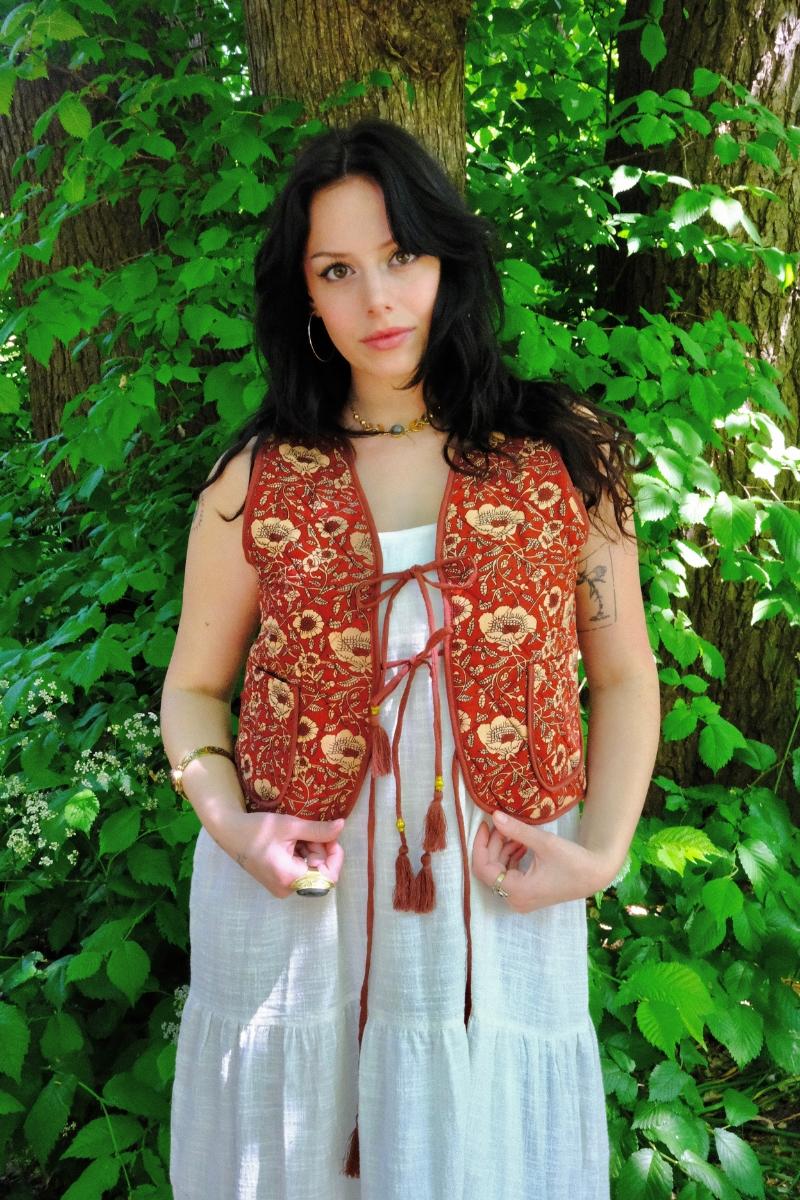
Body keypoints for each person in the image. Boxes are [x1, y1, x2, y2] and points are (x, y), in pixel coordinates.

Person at [160, 116, 661, 1200]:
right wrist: (231, 825)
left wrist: (603, 854)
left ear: (449, 260)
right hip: (293, 899)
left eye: (401, 257)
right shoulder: (253, 477)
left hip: (497, 889)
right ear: (302, 295)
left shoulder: (563, 456)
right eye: (336, 271)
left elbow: (623, 679)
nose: (376, 301)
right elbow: (195, 689)